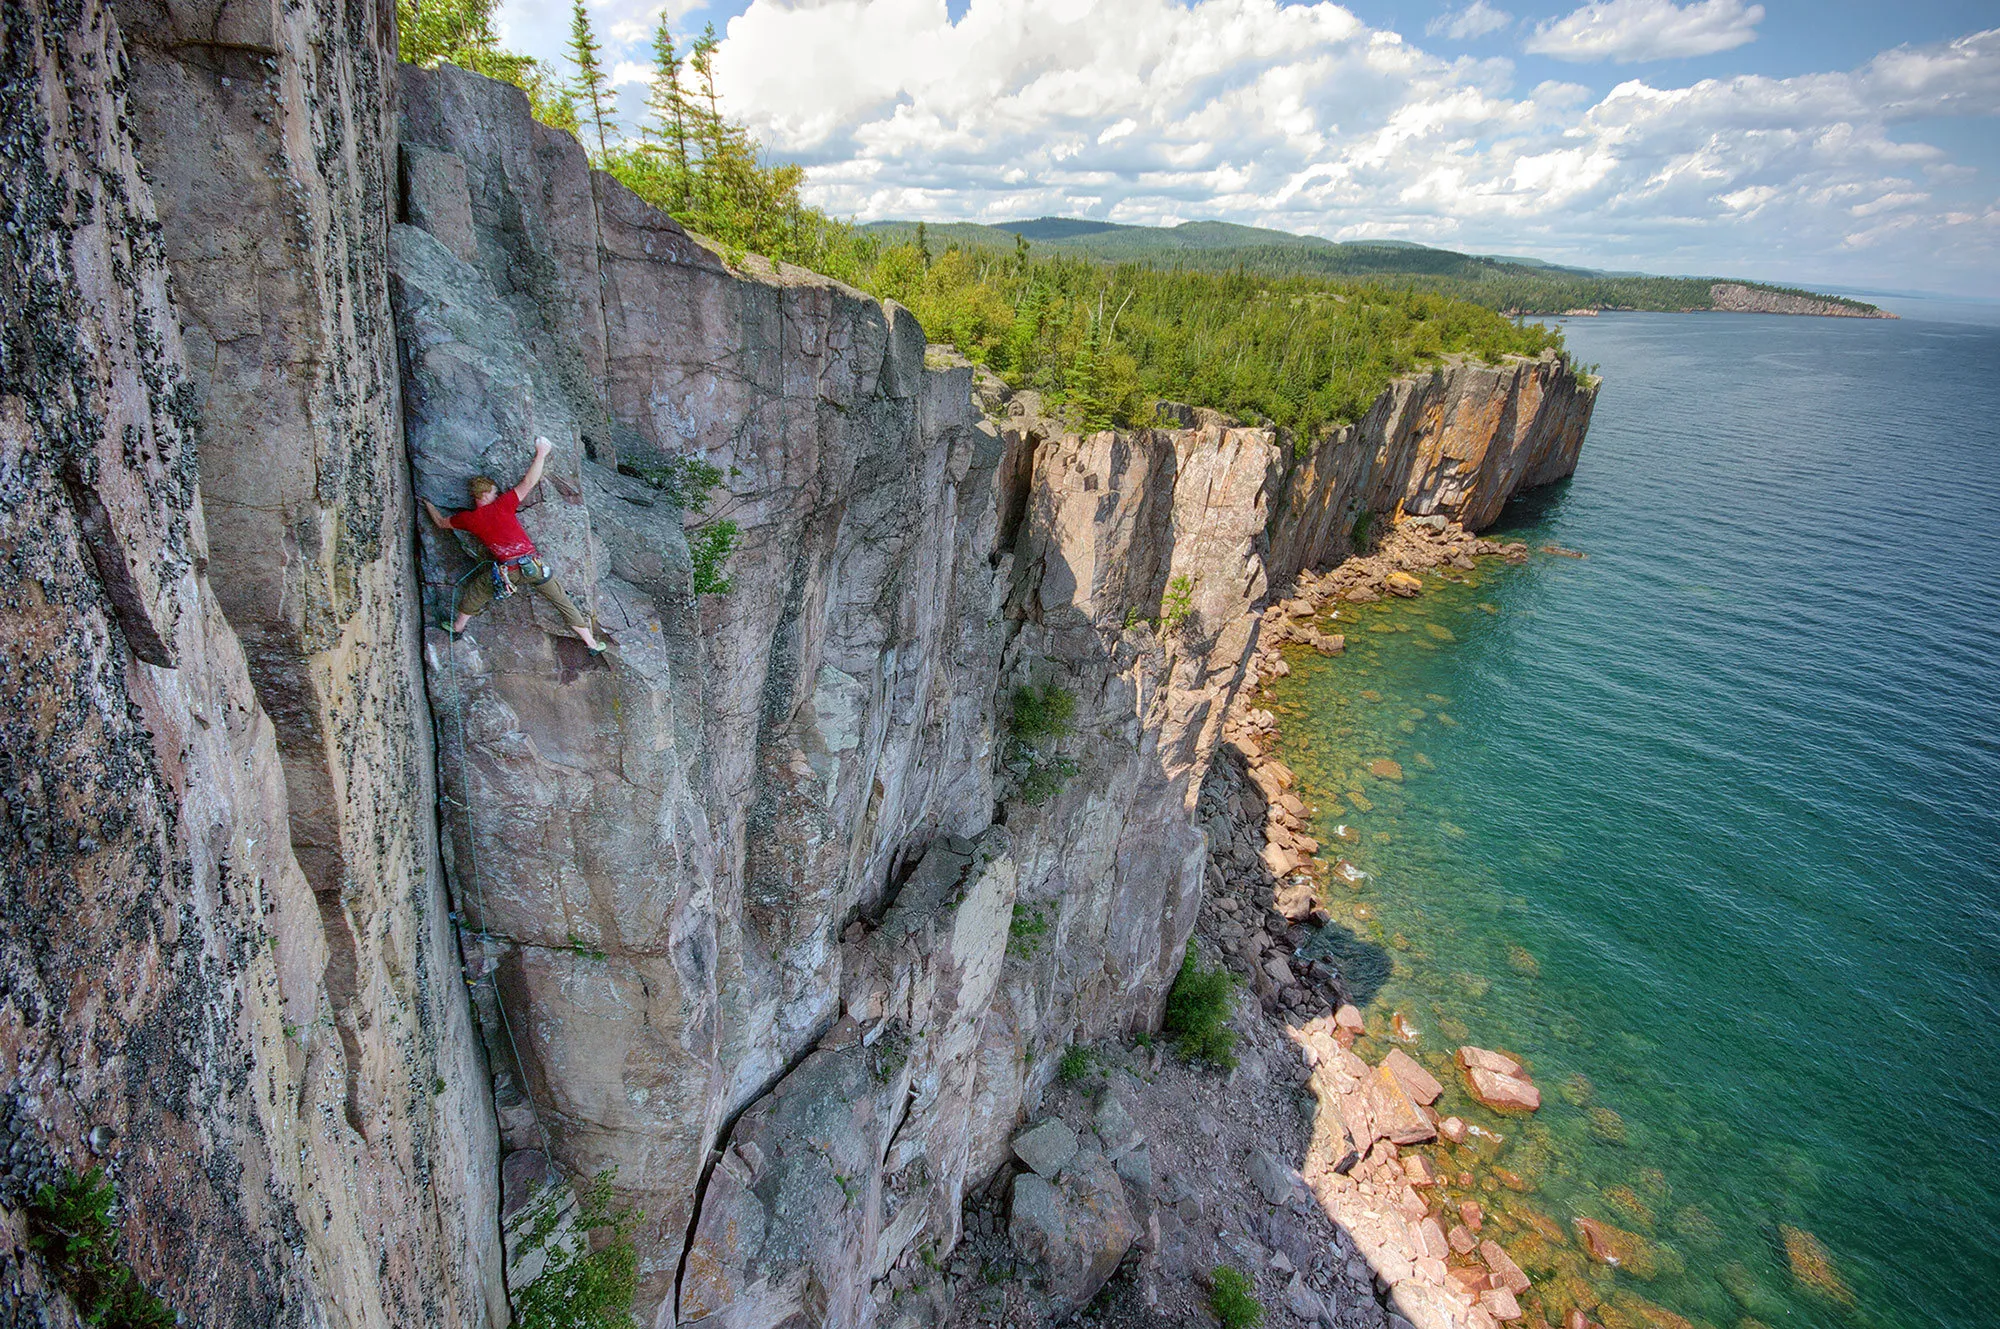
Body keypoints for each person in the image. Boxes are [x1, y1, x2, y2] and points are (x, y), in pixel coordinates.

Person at [423, 436, 607, 655]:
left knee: (477, 591)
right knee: (562, 601)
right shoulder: (502, 506)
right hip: (533, 566)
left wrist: (428, 504)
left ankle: (457, 628)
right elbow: (529, 482)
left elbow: (441, 523)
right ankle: (591, 643)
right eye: (494, 491)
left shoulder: (468, 519)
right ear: (484, 494)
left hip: (507, 572)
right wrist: (541, 453)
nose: (497, 494)